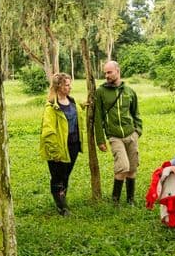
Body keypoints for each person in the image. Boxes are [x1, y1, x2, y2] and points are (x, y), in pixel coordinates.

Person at [93, 60, 142, 205]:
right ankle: (115, 200)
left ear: (117, 71)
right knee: (123, 166)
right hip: (114, 136)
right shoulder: (100, 92)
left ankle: (130, 200)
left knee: (132, 168)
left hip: (130, 134)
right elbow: (98, 117)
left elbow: (136, 113)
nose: (106, 75)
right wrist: (100, 140)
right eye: (105, 73)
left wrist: (137, 131)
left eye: (109, 72)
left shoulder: (129, 91)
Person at [40, 72, 83, 215]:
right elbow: (48, 131)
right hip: (59, 147)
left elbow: (76, 114)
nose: (69, 87)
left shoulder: (72, 102)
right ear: (58, 86)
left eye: (70, 84)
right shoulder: (51, 107)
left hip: (73, 145)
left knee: (66, 174)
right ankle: (62, 207)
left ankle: (62, 199)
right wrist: (54, 152)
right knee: (57, 176)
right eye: (66, 84)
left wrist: (84, 105)